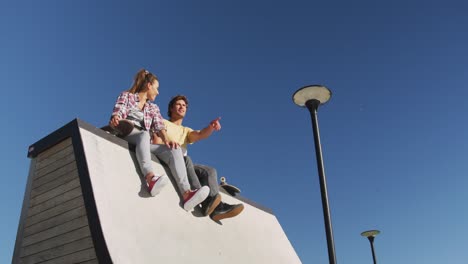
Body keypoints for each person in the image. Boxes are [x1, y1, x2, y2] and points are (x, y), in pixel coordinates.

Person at [110, 69, 209, 211]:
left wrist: (167, 140)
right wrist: (116, 119)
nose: (158, 92)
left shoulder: (153, 107)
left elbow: (159, 126)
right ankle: (150, 178)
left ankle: (187, 193)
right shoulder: (127, 96)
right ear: (149, 86)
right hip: (126, 132)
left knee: (175, 149)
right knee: (143, 134)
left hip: (143, 142)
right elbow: (118, 112)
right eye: (157, 88)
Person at [153, 95, 244, 221]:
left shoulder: (185, 130)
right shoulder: (163, 122)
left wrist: (211, 127)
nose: (182, 107)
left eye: (184, 106)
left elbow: (200, 134)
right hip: (169, 157)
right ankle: (209, 203)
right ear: (171, 108)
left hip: (184, 163)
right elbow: (156, 141)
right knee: (187, 160)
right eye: (178, 104)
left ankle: (216, 207)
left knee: (210, 171)